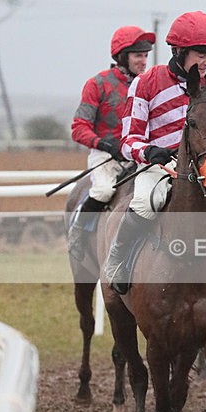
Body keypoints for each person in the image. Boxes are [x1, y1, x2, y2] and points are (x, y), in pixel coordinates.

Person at [104, 10, 206, 295]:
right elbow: (128, 140)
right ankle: (118, 260)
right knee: (145, 202)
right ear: (180, 52)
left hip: (203, 168)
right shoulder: (146, 82)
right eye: (201, 55)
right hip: (160, 166)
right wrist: (148, 151)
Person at [68, 25, 156, 258]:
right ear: (122, 56)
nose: (143, 61)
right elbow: (78, 128)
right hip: (106, 155)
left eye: (145, 55)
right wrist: (105, 144)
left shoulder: (149, 84)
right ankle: (77, 232)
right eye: (138, 56)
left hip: (138, 153)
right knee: (104, 190)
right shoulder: (97, 84)